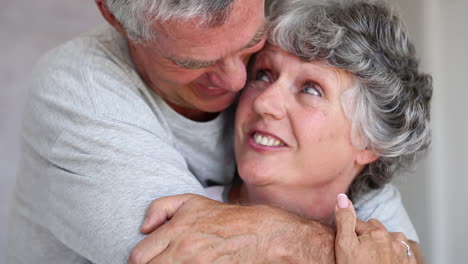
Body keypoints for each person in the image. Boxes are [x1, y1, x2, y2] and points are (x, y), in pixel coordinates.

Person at [6, 0, 425, 263]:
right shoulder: (83, 91)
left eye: (250, 50)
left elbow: (398, 253)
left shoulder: (350, 182)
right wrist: (277, 234)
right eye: (192, 63)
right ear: (115, 17)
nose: (243, 87)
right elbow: (188, 253)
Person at [129, 0, 431, 263]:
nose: (263, 101)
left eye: (311, 89)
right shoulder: (179, 222)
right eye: (263, 74)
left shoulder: (384, 233)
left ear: (370, 140)